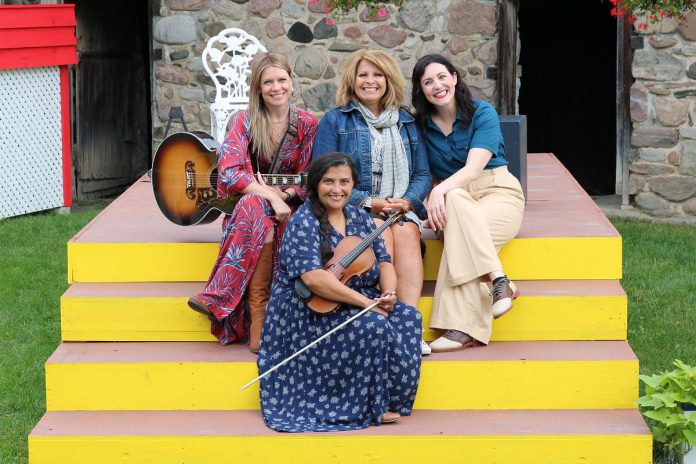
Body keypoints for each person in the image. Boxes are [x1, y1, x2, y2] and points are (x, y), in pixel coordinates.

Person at [258, 153, 422, 432]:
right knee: (373, 325)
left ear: (354, 184)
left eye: (344, 182)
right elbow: (313, 279)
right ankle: (366, 405)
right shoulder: (304, 220)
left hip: (349, 299)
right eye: (328, 182)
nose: (337, 189)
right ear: (315, 186)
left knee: (408, 317)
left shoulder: (359, 216)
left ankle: (387, 399)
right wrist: (367, 303)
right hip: (306, 308)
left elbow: (384, 261)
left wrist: (389, 293)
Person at [187, 53, 318, 350]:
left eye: (282, 80)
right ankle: (259, 313)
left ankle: (221, 297)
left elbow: (309, 177)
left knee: (257, 212)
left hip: (291, 208)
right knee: (252, 208)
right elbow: (231, 172)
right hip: (252, 204)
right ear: (258, 88)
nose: (276, 87)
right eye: (268, 82)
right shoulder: (244, 120)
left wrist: (284, 195)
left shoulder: (308, 124)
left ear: (292, 84)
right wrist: (270, 195)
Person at [311, 49, 431, 355]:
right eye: (363, 74)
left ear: (388, 80)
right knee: (381, 227)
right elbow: (321, 175)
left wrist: (406, 202)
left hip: (401, 208)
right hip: (355, 209)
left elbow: (422, 174)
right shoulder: (335, 120)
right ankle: (385, 319)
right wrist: (370, 203)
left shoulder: (407, 122)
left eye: (377, 74)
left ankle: (407, 327)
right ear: (352, 80)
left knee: (407, 231)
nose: (370, 81)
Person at [411, 54, 525, 353]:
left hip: (497, 191)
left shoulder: (481, 113)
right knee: (457, 199)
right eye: (427, 82)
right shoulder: (422, 127)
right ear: (421, 91)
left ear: (454, 77)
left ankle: (462, 328)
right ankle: (499, 280)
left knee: (458, 232)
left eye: (441, 77)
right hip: (455, 201)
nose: (437, 85)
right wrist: (430, 199)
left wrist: (438, 193)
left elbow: (473, 170)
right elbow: (425, 175)